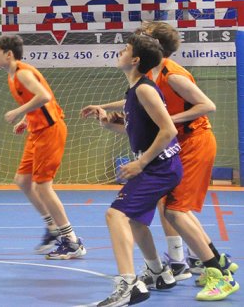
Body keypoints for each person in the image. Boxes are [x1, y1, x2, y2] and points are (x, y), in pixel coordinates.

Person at [82, 22, 238, 288]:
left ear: (151, 47)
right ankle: (208, 261)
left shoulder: (172, 75)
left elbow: (207, 105)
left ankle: (200, 266)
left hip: (194, 140)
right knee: (169, 208)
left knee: (174, 209)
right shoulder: (145, 81)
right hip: (172, 142)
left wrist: (165, 121)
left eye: (143, 36)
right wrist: (106, 111)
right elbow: (139, 103)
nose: (137, 38)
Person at [0, 35, 86, 259]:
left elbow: (44, 96)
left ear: (8, 54)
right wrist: (26, 120)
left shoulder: (22, 73)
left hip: (50, 131)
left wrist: (18, 112)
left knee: (43, 186)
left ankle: (72, 241)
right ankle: (52, 227)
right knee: (22, 180)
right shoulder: (12, 76)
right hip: (37, 130)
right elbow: (38, 102)